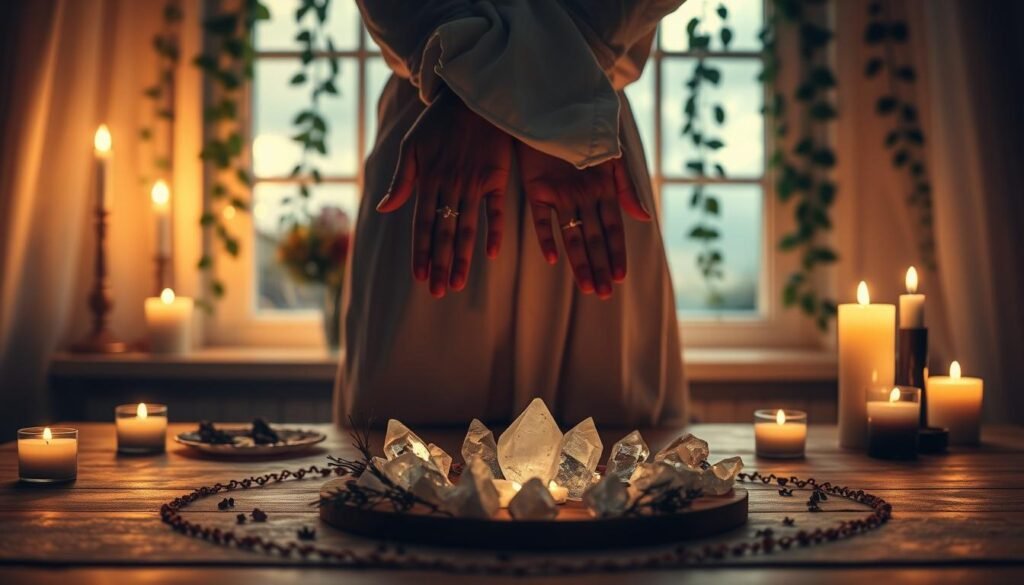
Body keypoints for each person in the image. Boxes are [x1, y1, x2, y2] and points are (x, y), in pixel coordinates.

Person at [336, 0, 687, 427]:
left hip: (469, 132)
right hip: (513, 137)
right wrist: (553, 81)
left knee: (608, 442)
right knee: (406, 440)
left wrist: (473, 87)